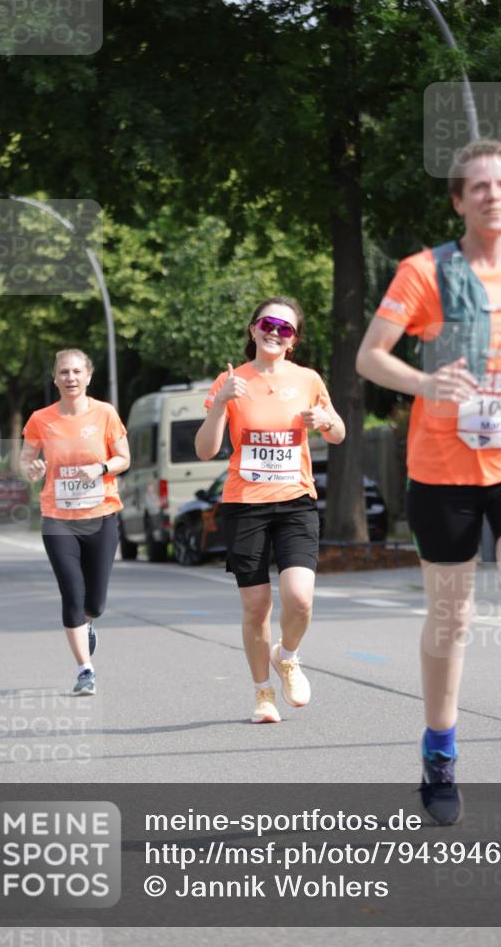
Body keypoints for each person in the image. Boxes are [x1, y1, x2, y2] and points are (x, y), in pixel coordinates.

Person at [356, 139, 501, 826]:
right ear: (457, 200)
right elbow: (370, 357)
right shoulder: (422, 273)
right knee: (451, 620)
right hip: (444, 463)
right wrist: (425, 381)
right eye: (477, 187)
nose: (492, 195)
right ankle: (439, 753)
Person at [195, 297, 345, 724]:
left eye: (285, 328)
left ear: (293, 340)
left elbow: (338, 432)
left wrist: (325, 421)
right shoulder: (231, 381)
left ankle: (289, 656)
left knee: (299, 597)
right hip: (245, 505)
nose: (275, 332)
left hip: (296, 500)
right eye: (268, 324)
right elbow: (205, 450)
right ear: (253, 328)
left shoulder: (308, 379)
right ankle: (263, 693)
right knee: (257, 606)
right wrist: (222, 401)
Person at [20, 349, 130, 696]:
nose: (70, 377)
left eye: (76, 371)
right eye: (64, 372)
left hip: (101, 514)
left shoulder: (105, 414)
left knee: (94, 603)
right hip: (58, 519)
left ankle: (88, 624)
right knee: (72, 593)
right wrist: (33, 469)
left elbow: (124, 458)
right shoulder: (41, 419)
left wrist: (99, 469)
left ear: (88, 376)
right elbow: (27, 461)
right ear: (55, 378)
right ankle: (85, 669)